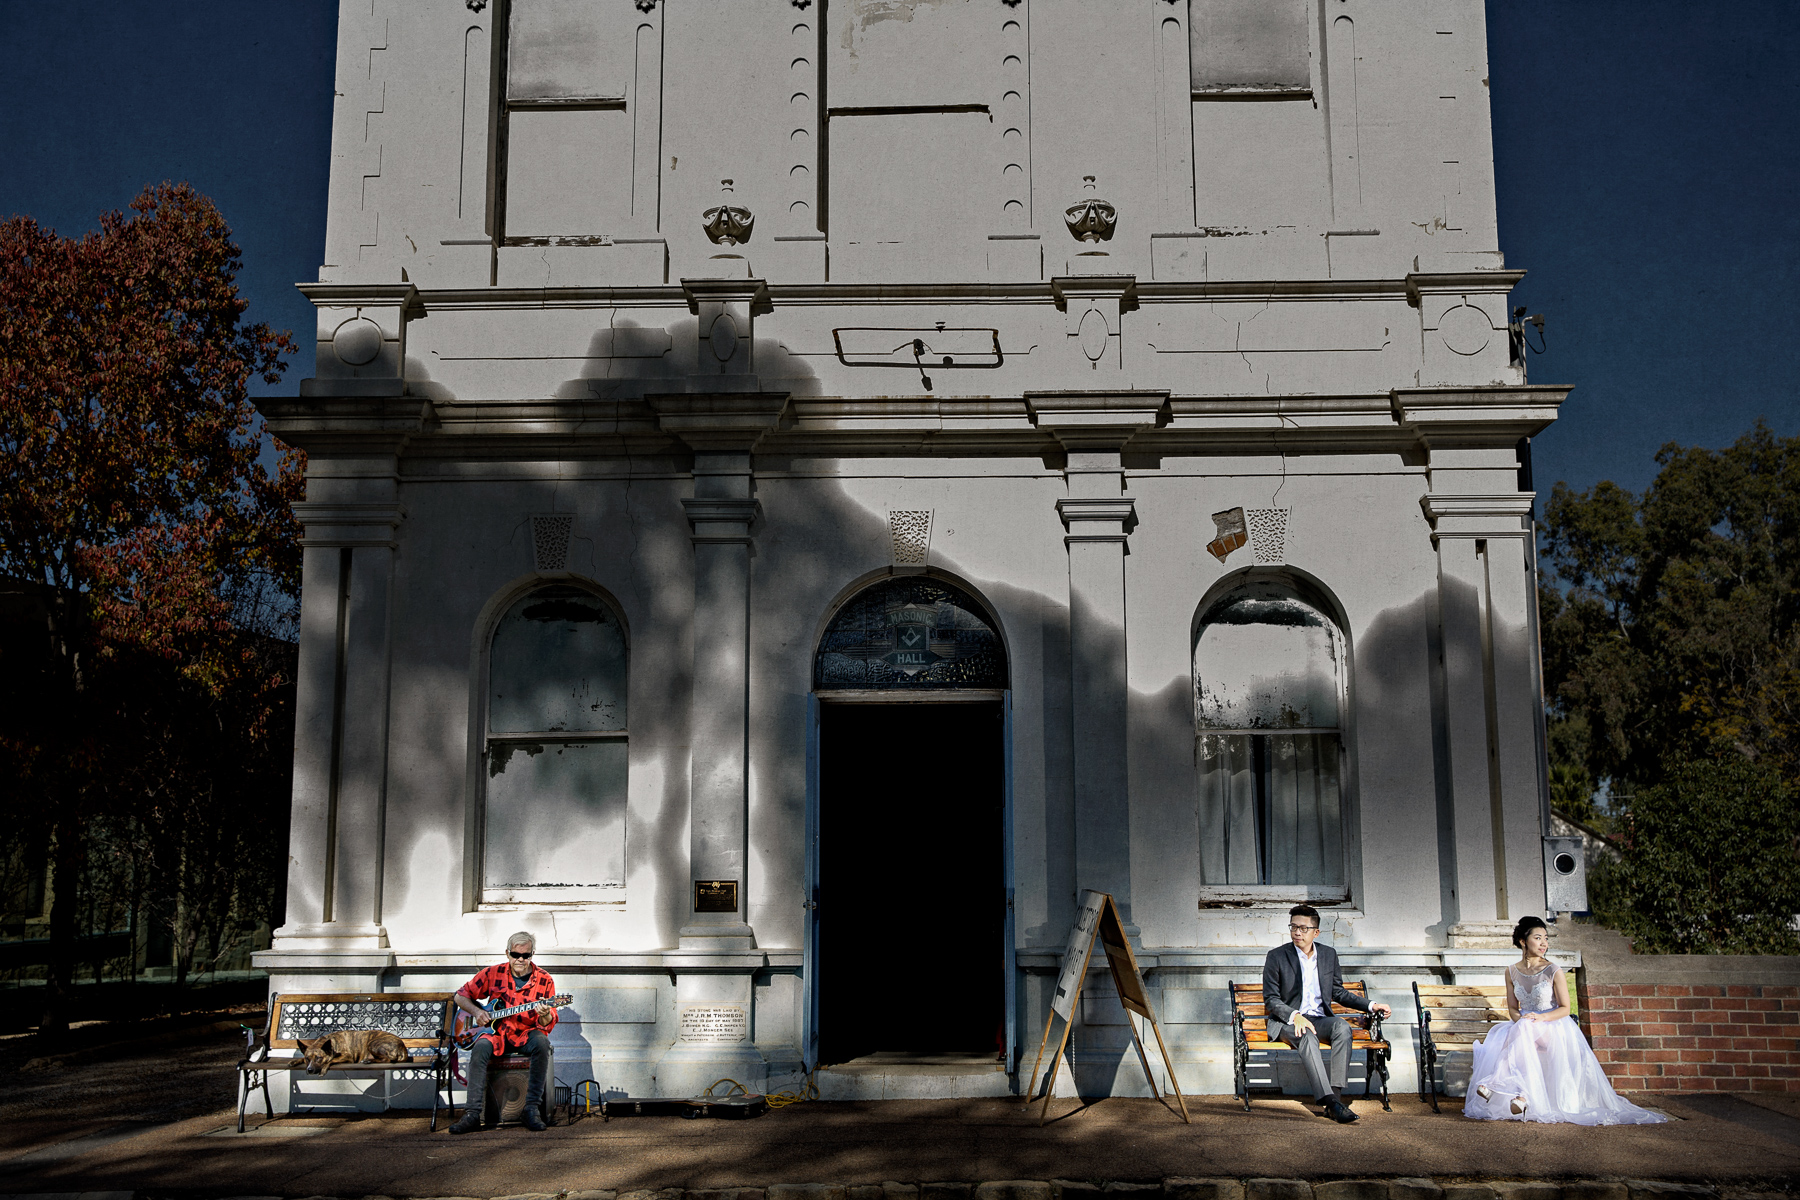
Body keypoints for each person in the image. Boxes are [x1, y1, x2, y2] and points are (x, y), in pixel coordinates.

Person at [1464, 915, 1667, 1125]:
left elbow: (1565, 1008)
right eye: (1538, 938)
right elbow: (1513, 1009)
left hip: (1553, 1025)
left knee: (1521, 1033)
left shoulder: (1553, 970)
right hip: (1525, 1025)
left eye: (1546, 938)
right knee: (1520, 1031)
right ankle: (1522, 1096)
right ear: (1523, 941)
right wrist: (1522, 1021)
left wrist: (1540, 1019)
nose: (1544, 943)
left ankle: (1497, 1082)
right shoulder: (1511, 972)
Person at [1263, 904, 1392, 1123]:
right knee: (1306, 1034)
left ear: (1316, 932)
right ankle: (1332, 1103)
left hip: (1319, 1019)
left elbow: (1338, 992)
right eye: (1293, 926)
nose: (1297, 932)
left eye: (1303, 928)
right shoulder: (1277, 956)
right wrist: (1295, 1015)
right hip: (1287, 1022)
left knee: (1342, 1027)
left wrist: (1371, 1005)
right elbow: (1271, 999)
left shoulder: (1328, 955)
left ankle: (1336, 1096)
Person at [447, 931, 558, 1134]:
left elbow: (547, 1023)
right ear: (507, 953)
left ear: (532, 954)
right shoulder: (492, 973)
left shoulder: (544, 980)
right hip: (496, 1033)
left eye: (526, 956)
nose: (521, 960)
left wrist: (545, 1014)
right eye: (516, 955)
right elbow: (460, 996)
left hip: (525, 1032)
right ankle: (472, 1113)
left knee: (542, 1043)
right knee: (480, 1047)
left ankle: (531, 1109)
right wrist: (478, 1012)